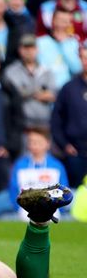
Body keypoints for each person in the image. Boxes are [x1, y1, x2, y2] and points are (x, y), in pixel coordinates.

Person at [9, 127, 70, 220]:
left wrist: (58, 209)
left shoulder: (57, 166)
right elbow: (13, 190)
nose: (34, 145)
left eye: (38, 142)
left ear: (47, 143)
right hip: (24, 213)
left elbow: (64, 190)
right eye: (31, 142)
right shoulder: (20, 165)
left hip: (53, 212)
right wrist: (19, 208)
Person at [51, 45, 87, 187]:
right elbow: (56, 119)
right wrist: (64, 144)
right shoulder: (69, 88)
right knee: (75, 194)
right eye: (84, 58)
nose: (86, 61)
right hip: (75, 154)